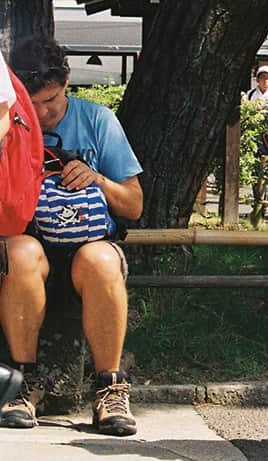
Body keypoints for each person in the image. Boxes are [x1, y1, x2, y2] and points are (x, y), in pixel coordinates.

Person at [3, 37, 144, 436]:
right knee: (20, 251)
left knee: (99, 259)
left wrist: (96, 179)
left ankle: (109, 387)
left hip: (90, 245)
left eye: (52, 100)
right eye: (33, 103)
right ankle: (23, 383)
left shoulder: (97, 120)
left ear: (67, 82)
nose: (44, 113)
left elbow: (133, 205)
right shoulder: (8, 120)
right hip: (31, 245)